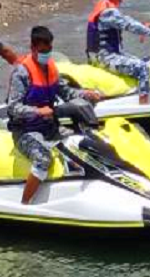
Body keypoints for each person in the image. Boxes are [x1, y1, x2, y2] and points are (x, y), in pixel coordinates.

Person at [9, 26, 101, 204]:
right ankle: (25, 204)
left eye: (49, 50)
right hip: (25, 132)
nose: (46, 54)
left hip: (49, 127)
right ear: (33, 48)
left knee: (80, 141)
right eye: (42, 51)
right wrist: (37, 111)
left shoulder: (51, 68)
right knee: (43, 158)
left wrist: (85, 93)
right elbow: (13, 108)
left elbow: (66, 93)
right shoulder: (22, 73)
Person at [86, 0, 150, 105]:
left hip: (97, 56)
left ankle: (133, 94)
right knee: (142, 68)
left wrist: (144, 28)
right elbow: (129, 24)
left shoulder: (102, 4)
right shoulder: (109, 12)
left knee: (140, 61)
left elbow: (126, 19)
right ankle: (144, 106)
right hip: (105, 58)